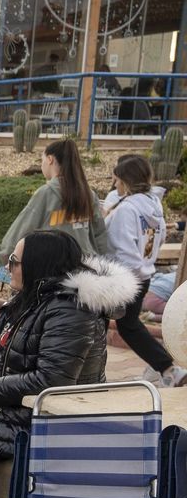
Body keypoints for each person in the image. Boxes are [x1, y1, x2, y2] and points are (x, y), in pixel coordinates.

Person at [0, 230, 135, 471]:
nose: (8, 268)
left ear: (38, 265)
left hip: (35, 421)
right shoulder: (30, 298)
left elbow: (51, 380)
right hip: (4, 407)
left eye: (14, 262)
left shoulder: (70, 311)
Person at [106, 154, 184, 386]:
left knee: (120, 325)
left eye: (118, 181)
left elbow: (122, 247)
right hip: (144, 276)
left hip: (125, 278)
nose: (115, 185)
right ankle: (165, 367)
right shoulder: (153, 206)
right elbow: (157, 241)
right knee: (129, 325)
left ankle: (168, 368)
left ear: (126, 181)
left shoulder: (126, 210)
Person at [0, 138, 110, 265]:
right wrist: (103, 265)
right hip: (86, 267)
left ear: (50, 159)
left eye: (42, 160)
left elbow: (22, 229)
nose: (42, 165)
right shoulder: (89, 194)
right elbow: (100, 235)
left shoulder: (46, 193)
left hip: (53, 268)